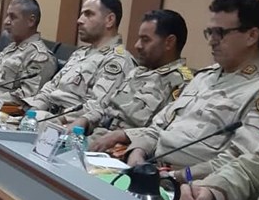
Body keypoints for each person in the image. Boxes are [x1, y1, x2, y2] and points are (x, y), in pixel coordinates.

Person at [126, 0, 259, 181]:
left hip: (195, 186)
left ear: (251, 36)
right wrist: (137, 152)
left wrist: (177, 176)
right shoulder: (204, 76)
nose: (211, 41)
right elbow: (158, 127)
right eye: (210, 32)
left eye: (220, 33)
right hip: (150, 170)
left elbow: (239, 161)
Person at [68, 9, 193, 152]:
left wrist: (122, 135)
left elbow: (165, 133)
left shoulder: (182, 84)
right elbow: (105, 106)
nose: (137, 45)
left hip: (125, 151)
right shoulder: (137, 71)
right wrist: (85, 119)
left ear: (169, 42)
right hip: (96, 139)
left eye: (146, 40)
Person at [25, 0, 136, 124]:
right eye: (82, 14)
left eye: (88, 14)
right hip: (44, 117)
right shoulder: (80, 53)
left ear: (110, 20)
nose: (80, 20)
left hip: (69, 126)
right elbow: (50, 87)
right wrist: (32, 112)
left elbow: (98, 107)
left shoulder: (117, 60)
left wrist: (55, 120)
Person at [0, 0, 56, 105]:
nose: (6, 22)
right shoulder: (10, 48)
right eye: (7, 16)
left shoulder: (40, 56)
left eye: (13, 17)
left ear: (31, 21)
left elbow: (25, 98)